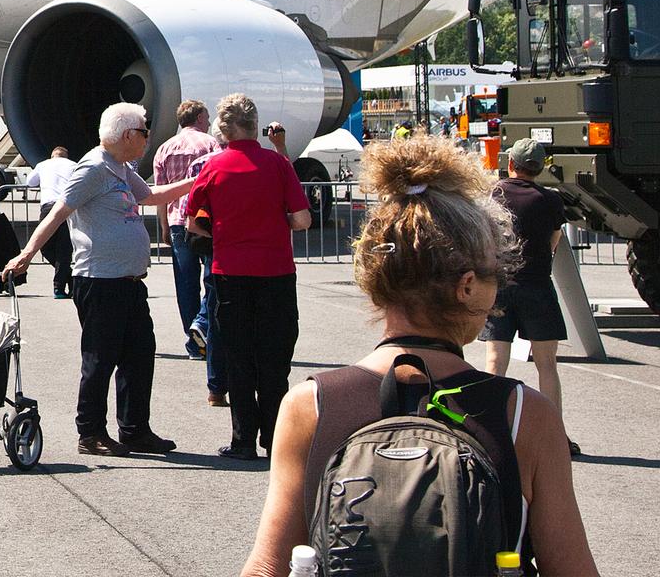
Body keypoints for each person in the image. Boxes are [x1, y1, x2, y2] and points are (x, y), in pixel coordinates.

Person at [239, 136, 596, 577]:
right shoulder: (523, 413)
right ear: (467, 287)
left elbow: (268, 565)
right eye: (493, 278)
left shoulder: (311, 405)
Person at [5, 103, 196, 457]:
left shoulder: (121, 167)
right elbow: (59, 212)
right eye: (144, 131)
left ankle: (135, 430)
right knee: (100, 358)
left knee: (139, 355)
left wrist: (200, 180)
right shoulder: (93, 167)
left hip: (128, 281)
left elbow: (153, 196)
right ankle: (90, 432)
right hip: (99, 281)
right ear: (127, 135)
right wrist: (27, 253)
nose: (147, 137)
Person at [186, 94, 312, 460]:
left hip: (231, 273)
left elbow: (194, 221)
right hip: (275, 272)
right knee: (274, 360)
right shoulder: (276, 164)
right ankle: (275, 439)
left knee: (238, 359)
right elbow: (302, 219)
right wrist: (278, 222)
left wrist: (225, 233)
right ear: (256, 126)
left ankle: (243, 440)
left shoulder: (212, 168)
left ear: (223, 130)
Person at [481, 137, 576, 453]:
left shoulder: (494, 193)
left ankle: (488, 430)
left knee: (496, 359)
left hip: (500, 284)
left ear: (511, 164)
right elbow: (553, 241)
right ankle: (553, 436)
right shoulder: (550, 200)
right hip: (536, 283)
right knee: (547, 363)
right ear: (540, 168)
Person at [152, 100, 219, 355]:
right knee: (212, 278)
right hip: (204, 219)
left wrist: (164, 226)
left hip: (177, 220)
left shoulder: (164, 148)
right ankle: (203, 326)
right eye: (208, 116)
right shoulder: (210, 144)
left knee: (185, 282)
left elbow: (160, 193)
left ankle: (194, 341)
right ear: (200, 117)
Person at [31, 147, 76, 298]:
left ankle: (60, 285)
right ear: (66, 156)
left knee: (44, 246)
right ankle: (66, 281)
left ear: (52, 156)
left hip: (48, 207)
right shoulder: (73, 165)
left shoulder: (42, 165)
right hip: (65, 207)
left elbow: (30, 182)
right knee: (64, 249)